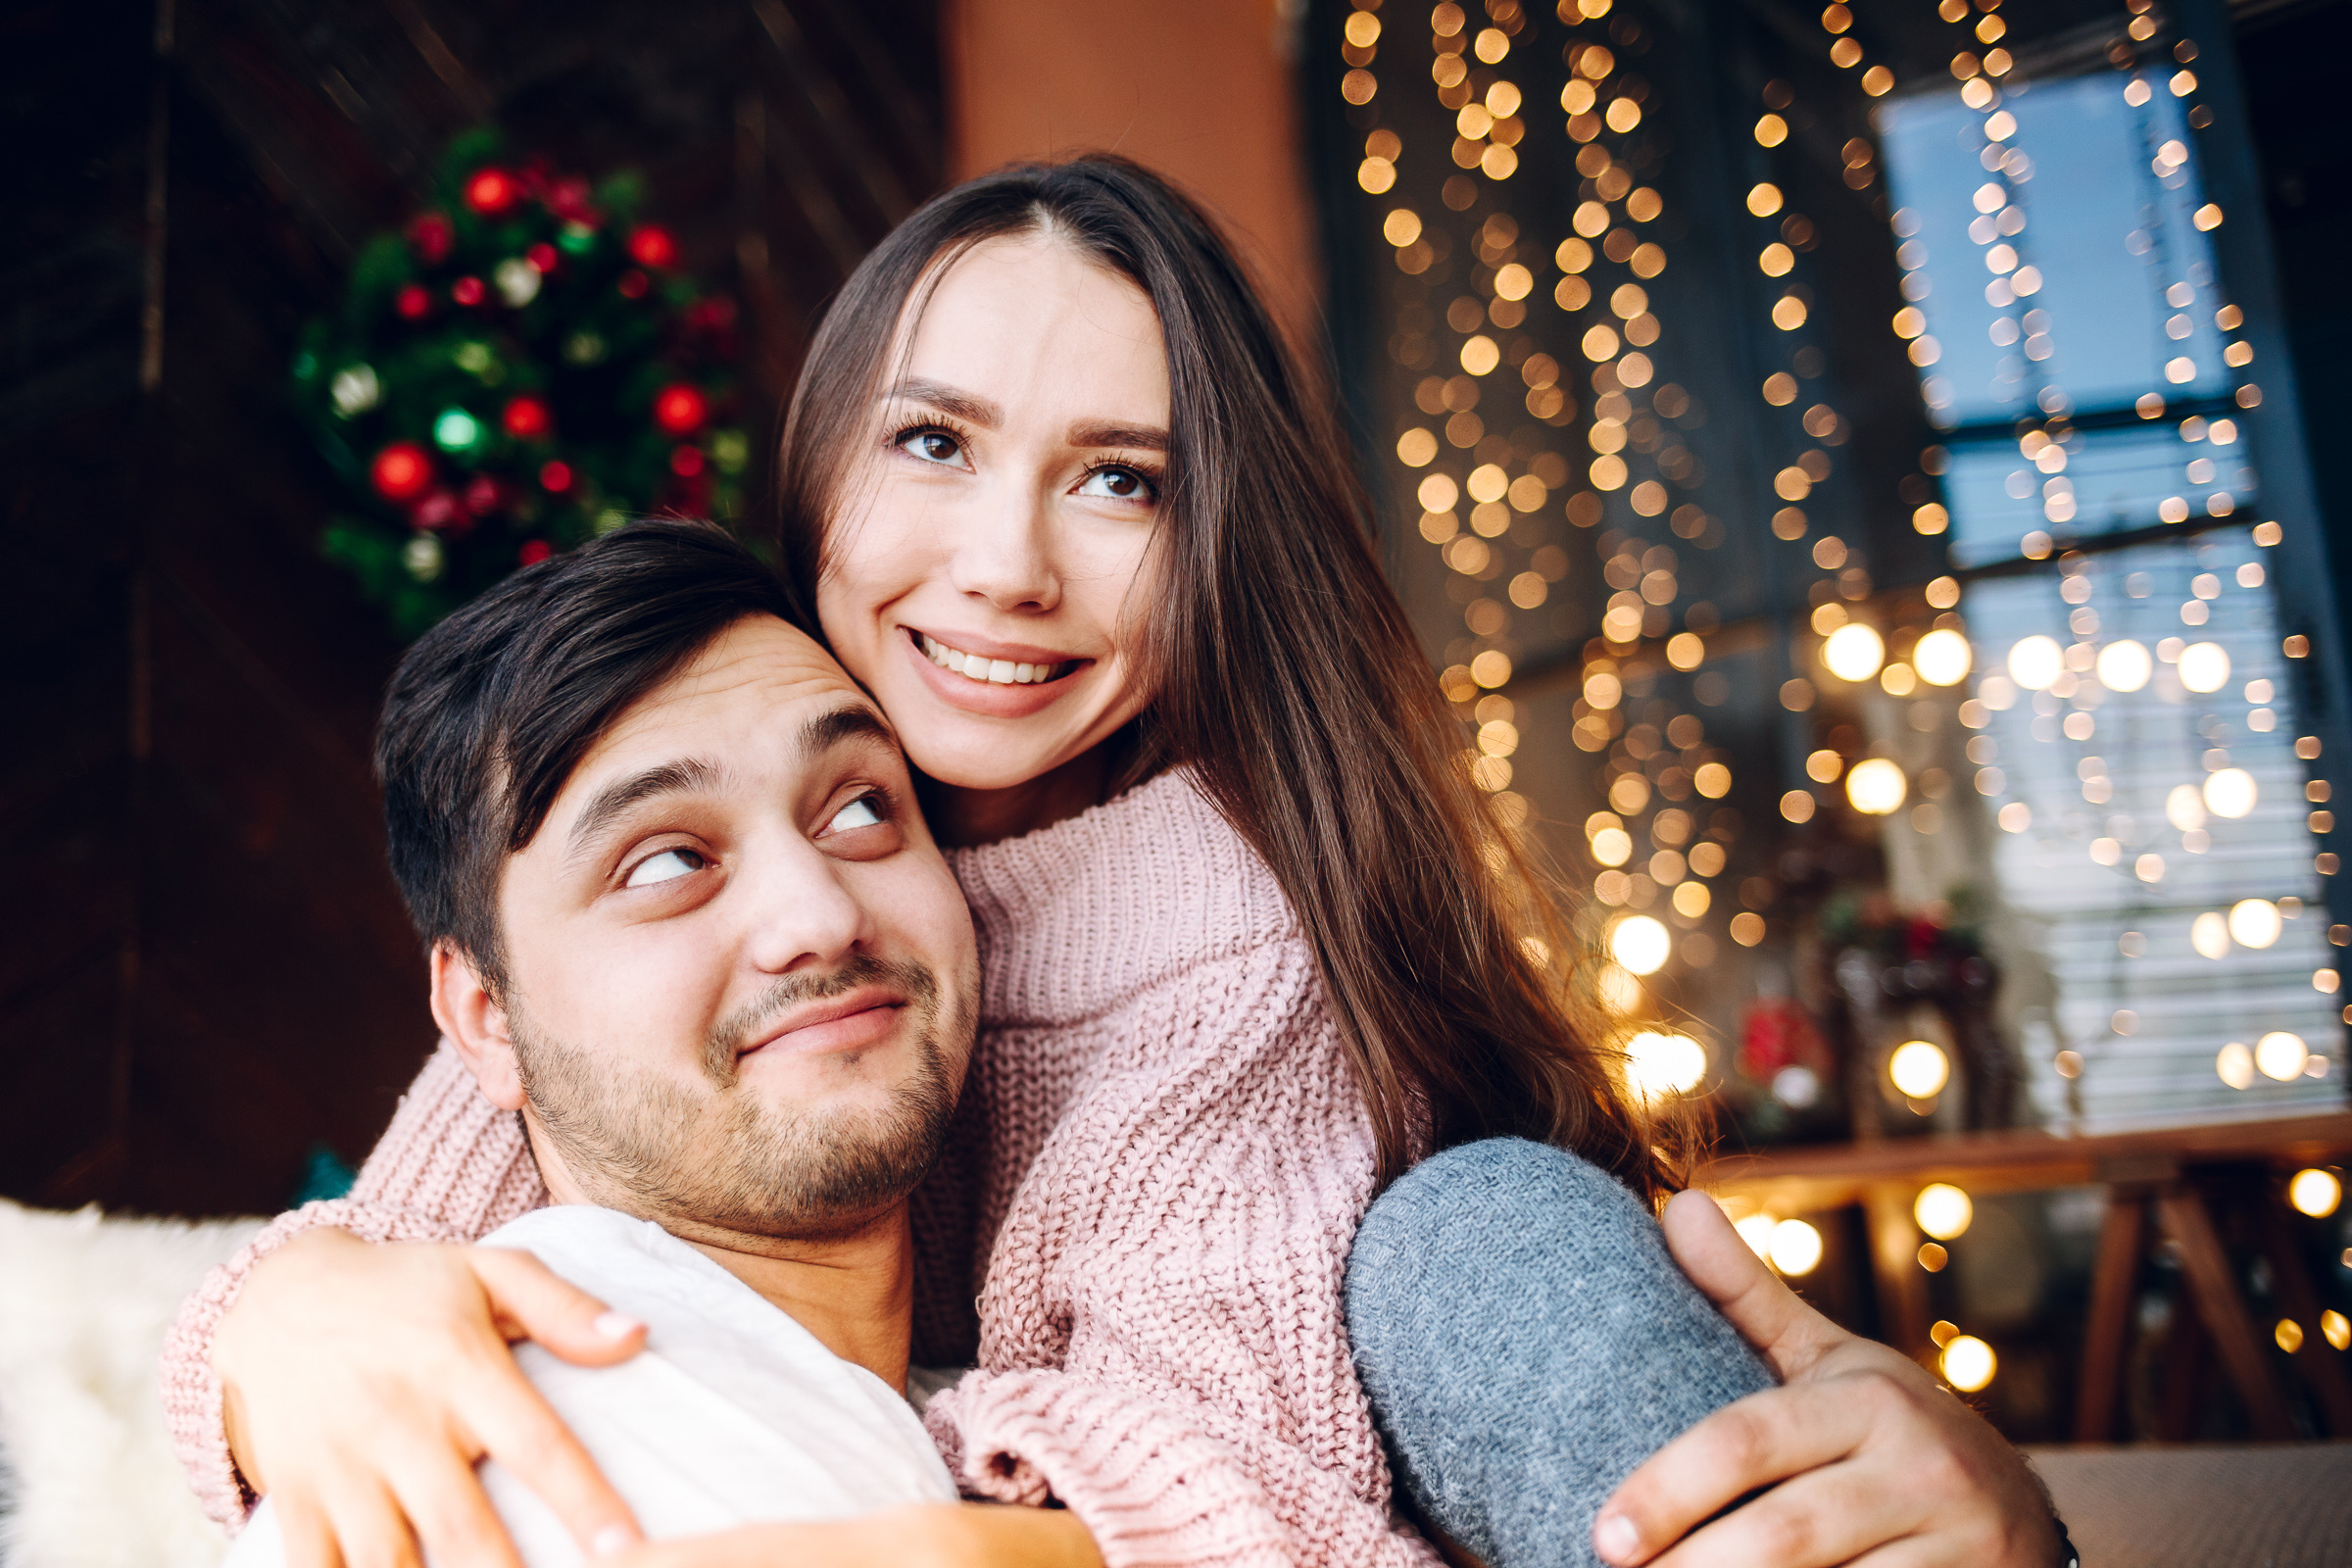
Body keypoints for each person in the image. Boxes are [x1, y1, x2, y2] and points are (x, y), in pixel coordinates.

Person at [166, 157, 2067, 1568]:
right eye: (933, 443)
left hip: (1331, 1455)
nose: (1006, 567)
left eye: (1119, 480)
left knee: (1486, 1226)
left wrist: (886, 1507)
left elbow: (1206, 1464)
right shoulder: (693, 865)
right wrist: (291, 1320)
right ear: (820, 470)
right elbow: (410, 1248)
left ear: (1213, 540)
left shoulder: (1224, 925)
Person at [225, 518, 1092, 1565]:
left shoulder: (978, 1439)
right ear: (488, 1019)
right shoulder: (541, 1426)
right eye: (666, 863)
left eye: (860, 807)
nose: (819, 914)